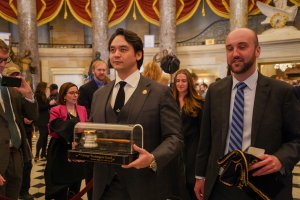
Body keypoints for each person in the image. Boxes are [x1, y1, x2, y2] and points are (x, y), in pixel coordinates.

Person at [194, 28, 300, 200]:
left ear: (257, 50)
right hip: (221, 184)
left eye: (242, 47)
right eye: (229, 48)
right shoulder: (215, 90)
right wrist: (200, 176)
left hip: (263, 186)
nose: (235, 53)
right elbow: (205, 139)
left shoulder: (282, 92)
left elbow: (296, 138)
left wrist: (280, 159)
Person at [90, 28, 184, 200]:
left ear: (138, 55)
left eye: (123, 49)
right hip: (105, 188)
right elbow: (92, 133)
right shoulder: (99, 95)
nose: (116, 54)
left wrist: (153, 158)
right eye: (112, 50)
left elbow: (174, 138)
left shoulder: (159, 92)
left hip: (145, 186)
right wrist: (81, 147)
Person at [0, 39, 38, 199]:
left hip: (15, 154)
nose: (2, 64)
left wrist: (28, 95)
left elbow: (32, 116)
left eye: (4, 60)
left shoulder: (9, 86)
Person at [45, 82, 87, 199]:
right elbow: (56, 128)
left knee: (76, 181)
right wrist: (74, 127)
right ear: (64, 95)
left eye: (77, 93)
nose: (75, 95)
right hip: (60, 150)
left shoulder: (82, 109)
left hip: (77, 148)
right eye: (72, 93)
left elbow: (85, 128)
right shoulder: (56, 109)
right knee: (61, 185)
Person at [78, 59, 110, 200]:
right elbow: (84, 111)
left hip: (109, 133)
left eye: (104, 70)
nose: (102, 72)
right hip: (92, 132)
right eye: (99, 70)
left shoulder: (111, 85)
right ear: (93, 71)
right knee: (92, 171)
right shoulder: (85, 89)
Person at [173, 69, 203, 200]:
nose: (180, 84)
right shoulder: (169, 101)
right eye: (178, 81)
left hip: (192, 147)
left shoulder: (199, 103)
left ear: (189, 83)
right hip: (174, 147)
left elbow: (203, 131)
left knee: (190, 184)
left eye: (183, 81)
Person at [34, 82, 56, 162]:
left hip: (45, 118)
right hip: (41, 119)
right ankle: (36, 154)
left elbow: (47, 106)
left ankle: (43, 153)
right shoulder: (37, 95)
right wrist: (50, 104)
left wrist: (52, 104)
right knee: (42, 136)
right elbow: (40, 107)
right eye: (46, 87)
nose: (47, 89)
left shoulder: (43, 95)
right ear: (42, 88)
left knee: (46, 136)